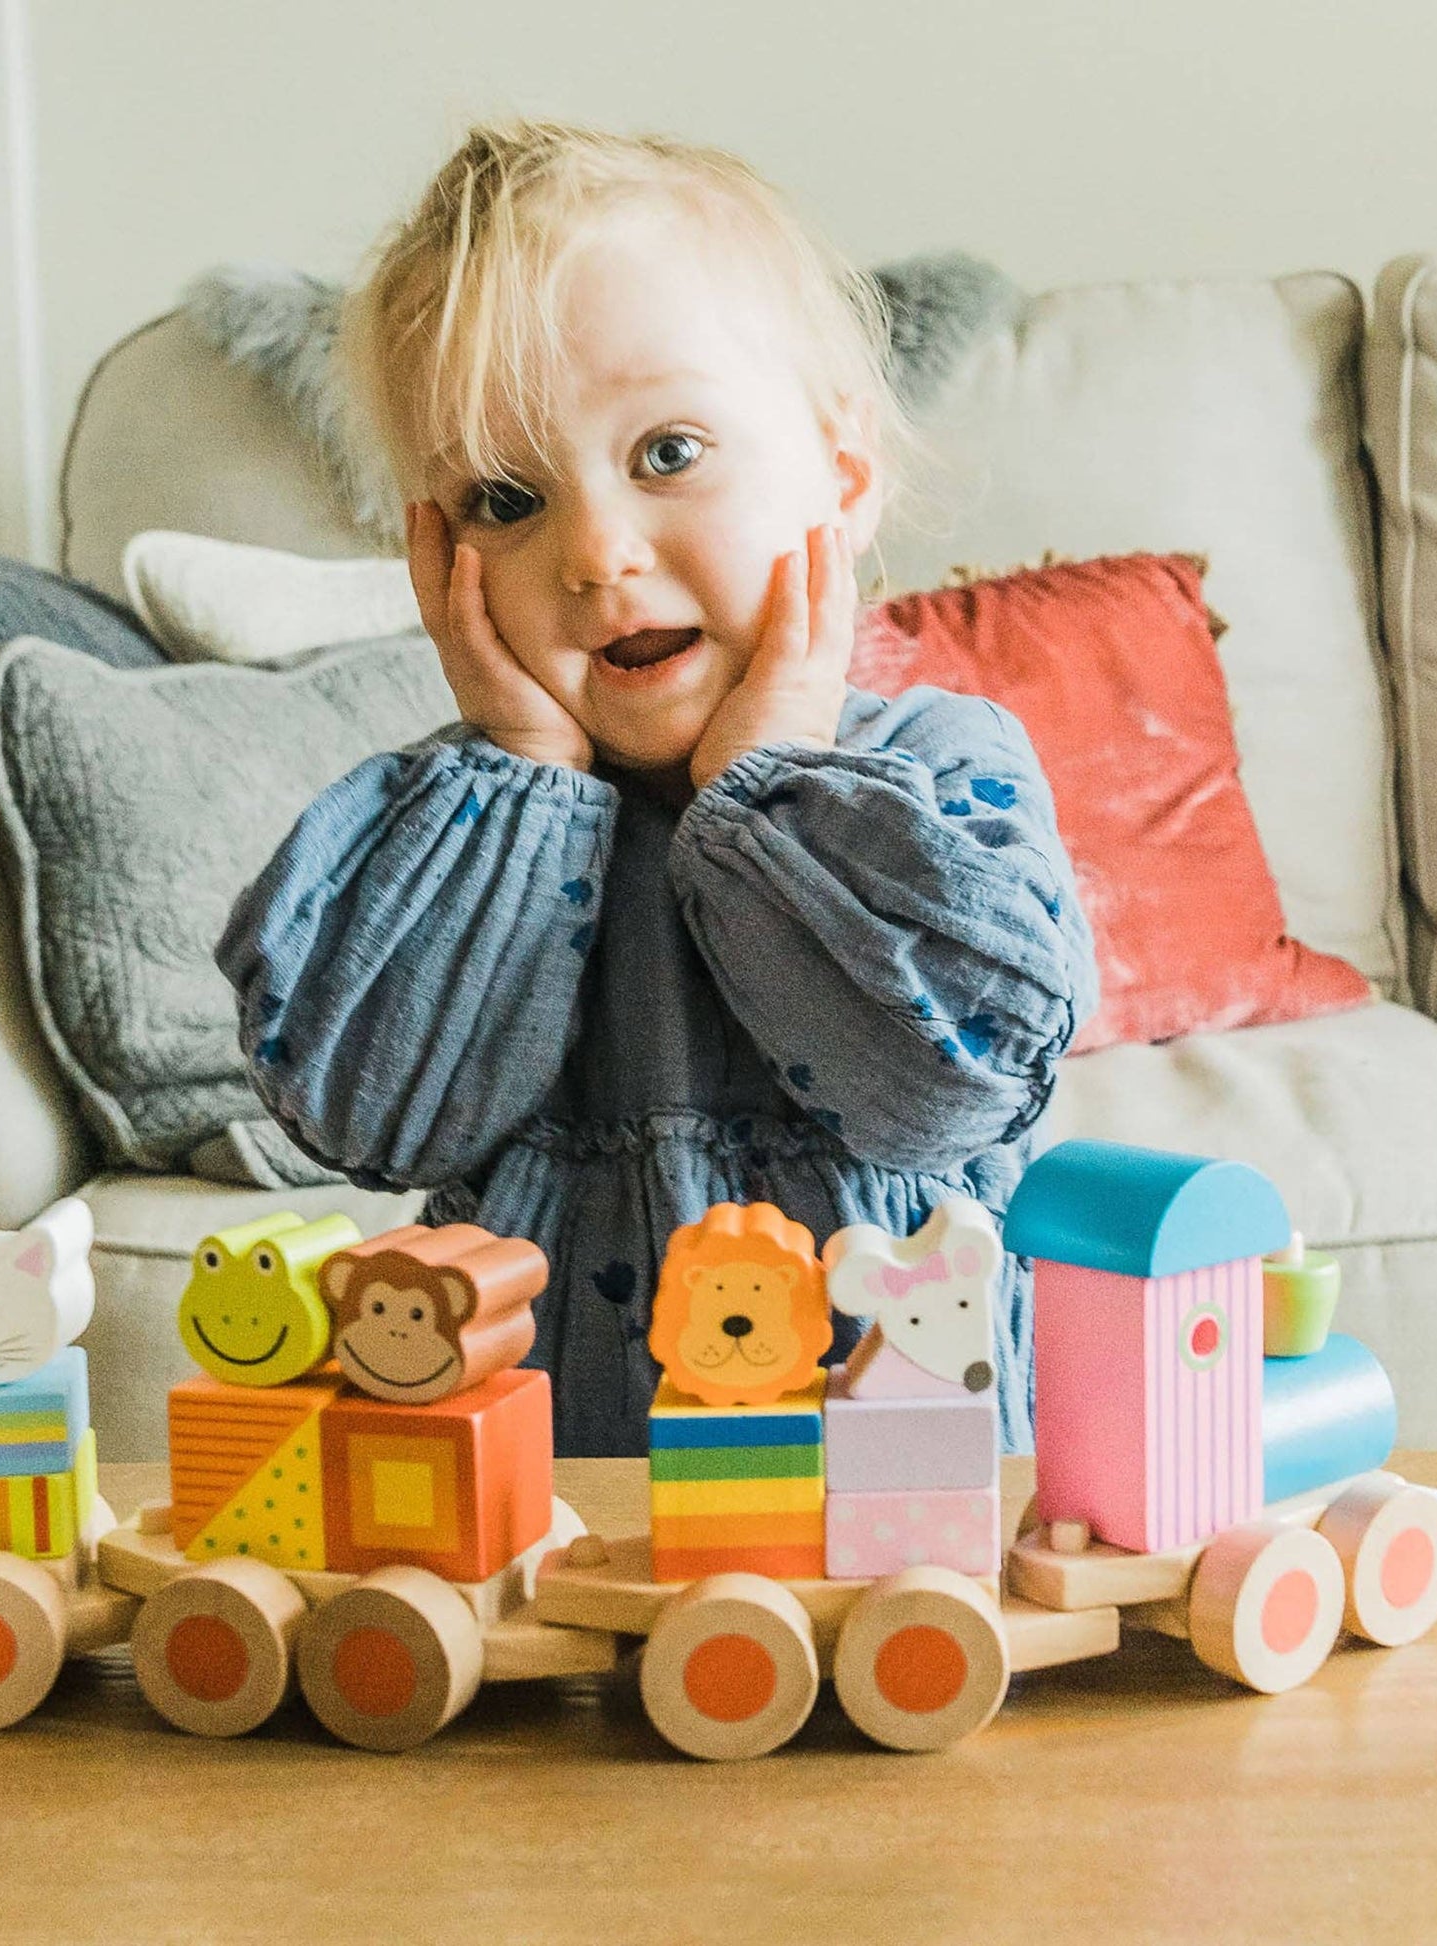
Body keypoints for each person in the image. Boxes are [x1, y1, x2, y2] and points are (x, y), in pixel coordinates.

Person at [218, 119, 1097, 1456]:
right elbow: (367, 1112)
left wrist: (769, 781)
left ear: (841, 477)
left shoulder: (936, 771)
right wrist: (516, 772)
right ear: (434, 555)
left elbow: (952, 1086)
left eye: (667, 452)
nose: (596, 553)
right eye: (506, 498)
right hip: (553, 1495)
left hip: (893, 1465)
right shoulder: (445, 826)